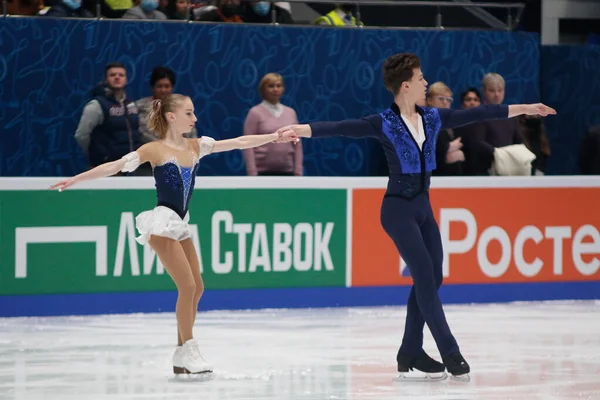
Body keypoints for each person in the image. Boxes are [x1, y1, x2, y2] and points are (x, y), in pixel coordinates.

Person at [275, 53, 556, 382]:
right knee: (424, 275)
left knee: (433, 277)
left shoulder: (433, 118)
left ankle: (410, 349)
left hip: (423, 207)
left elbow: (479, 112)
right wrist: (299, 129)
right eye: (421, 79)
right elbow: (339, 128)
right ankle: (450, 351)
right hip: (397, 209)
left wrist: (525, 108)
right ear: (406, 86)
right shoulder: (383, 122)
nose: (426, 82)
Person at [51, 94, 298, 375]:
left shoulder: (196, 146)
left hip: (179, 224)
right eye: (189, 113)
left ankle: (181, 353)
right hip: (162, 224)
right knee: (188, 287)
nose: (195, 119)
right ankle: (190, 347)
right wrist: (76, 179)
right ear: (171, 116)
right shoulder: (154, 150)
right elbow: (116, 166)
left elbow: (239, 142)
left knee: (199, 287)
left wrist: (273, 137)